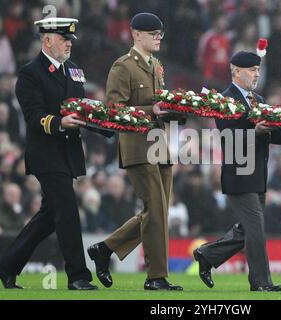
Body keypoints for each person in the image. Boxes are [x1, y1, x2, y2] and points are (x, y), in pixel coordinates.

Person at [0, 17, 108, 290]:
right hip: (46, 152)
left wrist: (108, 125)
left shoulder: (74, 70)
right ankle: (78, 276)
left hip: (68, 152)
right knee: (67, 210)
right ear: (47, 40)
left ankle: (6, 265)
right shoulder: (31, 73)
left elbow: (82, 108)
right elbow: (33, 115)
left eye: (70, 40)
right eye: (64, 39)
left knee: (49, 216)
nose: (69, 44)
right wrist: (58, 122)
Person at [192, 50, 281, 291]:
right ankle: (261, 282)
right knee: (256, 230)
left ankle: (207, 255)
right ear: (235, 71)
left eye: (258, 69)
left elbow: (272, 132)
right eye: (252, 69)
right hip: (238, 174)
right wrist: (255, 132)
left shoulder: (260, 100)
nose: (256, 74)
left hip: (258, 174)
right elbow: (227, 136)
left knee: (247, 229)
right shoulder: (224, 100)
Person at [87, 12, 183, 291]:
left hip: (159, 144)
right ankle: (156, 276)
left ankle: (105, 249)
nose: (158, 38)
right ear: (135, 34)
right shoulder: (123, 67)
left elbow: (158, 106)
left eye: (160, 33)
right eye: (152, 33)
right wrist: (150, 111)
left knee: (159, 211)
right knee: (154, 209)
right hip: (137, 145)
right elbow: (114, 111)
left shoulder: (155, 66)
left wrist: (175, 111)